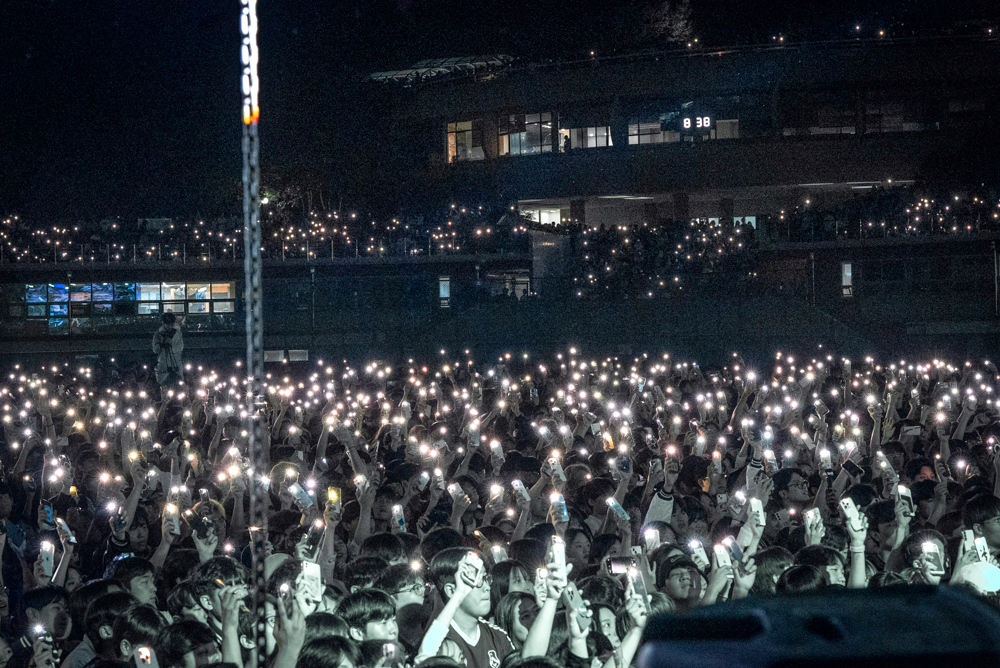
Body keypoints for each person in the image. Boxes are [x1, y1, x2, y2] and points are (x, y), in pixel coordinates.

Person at [151, 312, 184, 392]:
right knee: (163, 391)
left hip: (175, 365)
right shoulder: (158, 334)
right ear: (163, 323)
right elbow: (155, 350)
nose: (169, 326)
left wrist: (169, 344)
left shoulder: (177, 333)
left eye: (171, 324)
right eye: (167, 323)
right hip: (163, 367)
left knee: (178, 391)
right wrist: (162, 344)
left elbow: (179, 347)